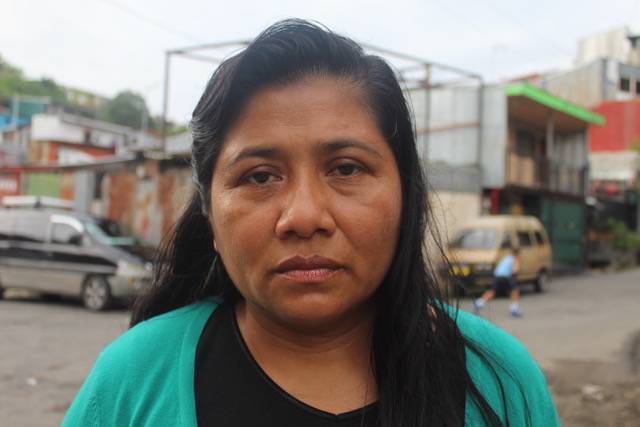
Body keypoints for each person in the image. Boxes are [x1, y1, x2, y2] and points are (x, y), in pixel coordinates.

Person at [61, 19, 559, 426]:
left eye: (346, 169)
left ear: (406, 195)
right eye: (259, 176)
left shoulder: (500, 379)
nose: (303, 217)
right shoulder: (129, 382)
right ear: (210, 213)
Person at [473, 248, 523, 317]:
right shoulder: (514, 259)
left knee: (492, 291)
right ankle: (514, 309)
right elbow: (515, 270)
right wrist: (518, 262)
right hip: (505, 277)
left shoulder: (506, 258)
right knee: (515, 290)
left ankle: (479, 303)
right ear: (517, 254)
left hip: (497, 276)